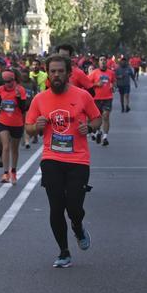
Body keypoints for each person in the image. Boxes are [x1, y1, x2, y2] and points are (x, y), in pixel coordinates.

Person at [25, 54, 102, 268]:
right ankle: (64, 251)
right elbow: (28, 128)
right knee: (56, 206)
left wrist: (91, 127)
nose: (56, 75)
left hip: (78, 159)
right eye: (52, 71)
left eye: (60, 71)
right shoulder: (40, 99)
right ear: (48, 73)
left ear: (69, 73)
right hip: (52, 158)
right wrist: (36, 127)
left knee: (74, 208)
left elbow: (96, 118)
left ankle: (77, 227)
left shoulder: (83, 96)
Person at [0, 68, 28, 184]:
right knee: (6, 146)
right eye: (5, 81)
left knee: (14, 149)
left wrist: (18, 98)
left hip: (17, 122)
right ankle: (5, 173)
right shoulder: (0, 89)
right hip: (3, 121)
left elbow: (24, 108)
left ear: (14, 79)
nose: (7, 84)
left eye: (10, 81)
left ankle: (13, 171)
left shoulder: (20, 90)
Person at [89, 59, 115, 146]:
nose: (103, 62)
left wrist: (113, 86)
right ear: (99, 63)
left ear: (106, 62)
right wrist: (96, 84)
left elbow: (114, 82)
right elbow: (88, 84)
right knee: (97, 119)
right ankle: (98, 132)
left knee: (106, 116)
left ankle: (105, 137)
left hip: (108, 98)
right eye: (101, 60)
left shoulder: (111, 73)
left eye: (104, 60)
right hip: (96, 99)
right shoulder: (94, 72)